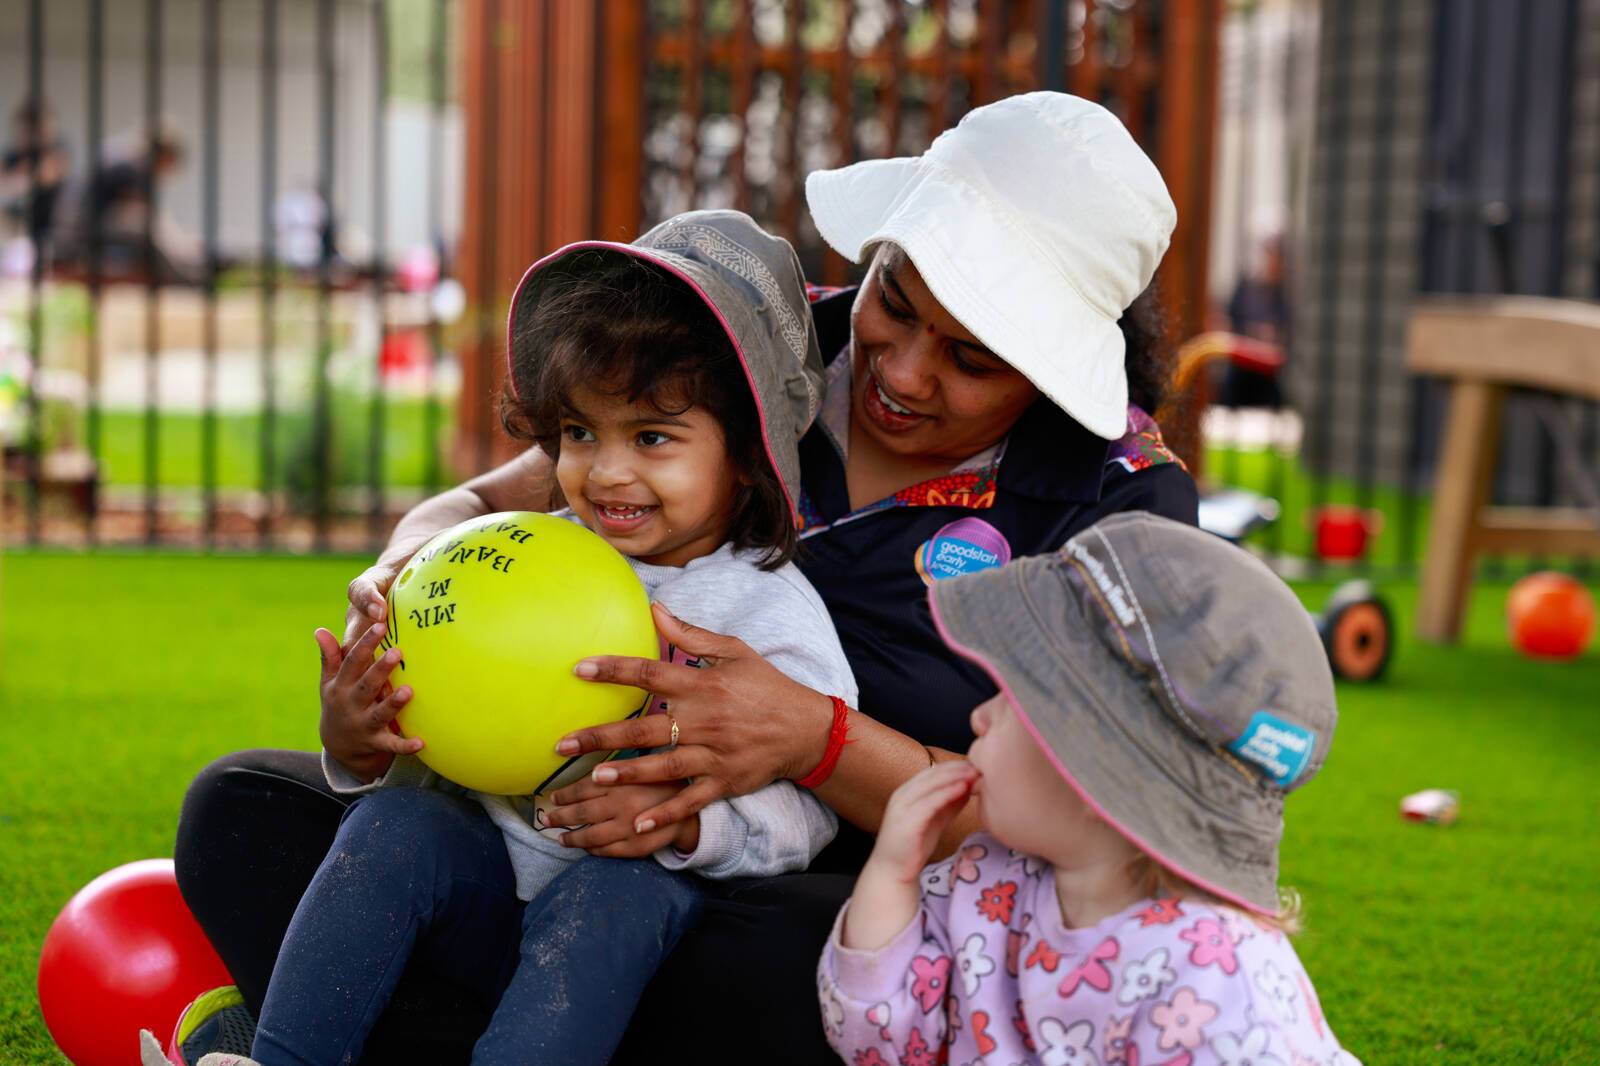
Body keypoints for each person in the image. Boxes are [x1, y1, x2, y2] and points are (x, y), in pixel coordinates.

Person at [173, 93, 1202, 1064]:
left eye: (973, 359)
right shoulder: (751, 342)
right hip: (517, 833)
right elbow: (499, 499)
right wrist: (404, 577)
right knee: (244, 811)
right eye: (895, 298)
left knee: (810, 962)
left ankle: (379, 1027)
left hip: (810, 880)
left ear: (1060, 367)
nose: (902, 370)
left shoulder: (1117, 502)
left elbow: (1095, 815)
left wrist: (814, 739)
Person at [152, 213, 858, 1066]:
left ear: (746, 454)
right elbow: (438, 722)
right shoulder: (513, 557)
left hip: (641, 944)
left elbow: (808, 809)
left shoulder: (764, 606)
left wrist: (682, 826)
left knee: (618, 893)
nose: (607, 471)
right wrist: (362, 736)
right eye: (580, 433)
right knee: (399, 824)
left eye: (654, 438)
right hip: (481, 896)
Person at [820, 512, 1359, 1064]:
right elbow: (885, 1045)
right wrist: (891, 875)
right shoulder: (984, 883)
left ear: (1097, 771)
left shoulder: (1215, 977)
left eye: (1013, 699)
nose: (979, 717)